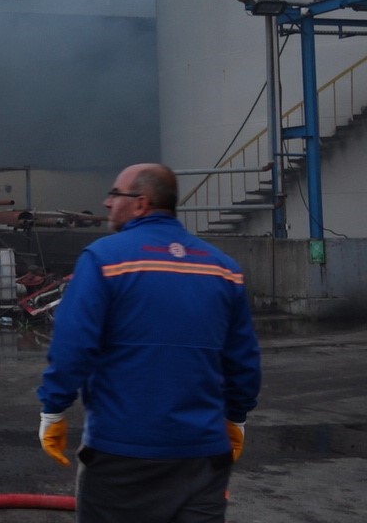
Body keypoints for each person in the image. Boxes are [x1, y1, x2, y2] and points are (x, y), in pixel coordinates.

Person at [37, 163, 262, 523]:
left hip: (122, 458)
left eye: (115, 194)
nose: (107, 202)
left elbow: (73, 345)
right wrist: (236, 417)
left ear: (141, 203)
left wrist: (53, 409)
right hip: (202, 459)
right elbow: (244, 360)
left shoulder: (104, 260)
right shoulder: (224, 269)